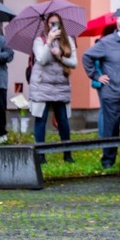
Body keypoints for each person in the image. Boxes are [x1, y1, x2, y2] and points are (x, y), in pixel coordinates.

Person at [82, 16, 120, 168]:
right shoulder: (106, 42)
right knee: (111, 129)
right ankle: (108, 161)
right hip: (112, 93)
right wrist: (96, 76)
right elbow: (87, 56)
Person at [30, 13, 78, 161]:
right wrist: (49, 41)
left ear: (61, 24)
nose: (54, 26)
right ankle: (40, 156)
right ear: (47, 24)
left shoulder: (68, 40)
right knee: (41, 120)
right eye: (51, 23)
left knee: (63, 120)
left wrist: (59, 56)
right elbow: (42, 60)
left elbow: (74, 63)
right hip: (42, 85)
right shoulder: (39, 40)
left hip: (60, 86)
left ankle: (67, 154)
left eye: (56, 23)